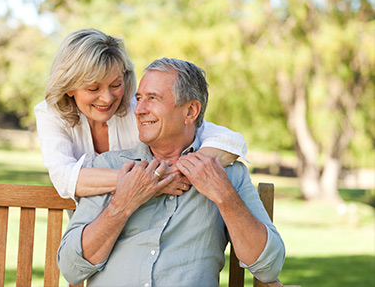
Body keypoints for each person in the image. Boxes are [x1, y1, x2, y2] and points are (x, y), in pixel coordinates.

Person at [57, 58, 285, 286]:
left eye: (153, 99)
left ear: (190, 111)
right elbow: (71, 268)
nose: (139, 110)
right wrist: (123, 203)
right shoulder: (110, 166)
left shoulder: (227, 173)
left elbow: (268, 268)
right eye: (139, 99)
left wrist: (224, 196)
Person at [34, 29, 248, 202]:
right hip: (93, 232)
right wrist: (148, 180)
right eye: (93, 89)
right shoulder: (51, 114)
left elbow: (230, 141)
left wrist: (175, 172)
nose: (107, 98)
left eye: (116, 85)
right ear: (69, 88)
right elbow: (64, 179)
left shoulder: (139, 110)